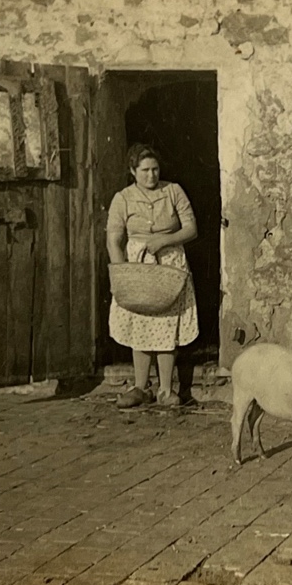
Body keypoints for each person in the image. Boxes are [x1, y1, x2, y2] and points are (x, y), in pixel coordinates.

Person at [106, 143, 199, 408]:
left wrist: (165, 240)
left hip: (170, 263)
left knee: (167, 321)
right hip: (137, 264)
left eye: (155, 169)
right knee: (141, 319)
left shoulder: (173, 191)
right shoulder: (122, 198)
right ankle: (139, 386)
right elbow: (114, 239)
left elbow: (191, 228)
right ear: (133, 171)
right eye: (145, 170)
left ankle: (166, 389)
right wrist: (122, 273)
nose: (151, 175)